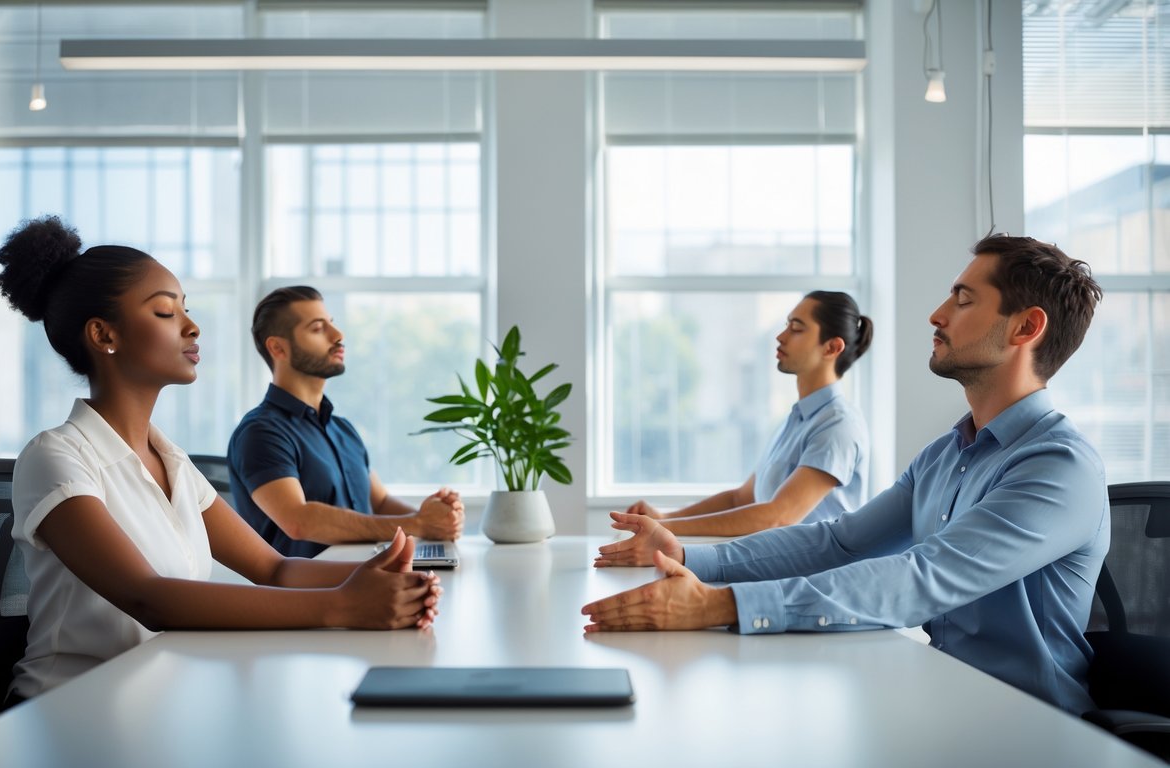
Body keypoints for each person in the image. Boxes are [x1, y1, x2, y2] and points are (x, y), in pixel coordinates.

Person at [583, 235, 1108, 715]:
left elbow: (922, 577)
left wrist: (717, 605)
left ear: (1025, 327)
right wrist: (686, 555)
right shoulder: (945, 455)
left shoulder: (1059, 466)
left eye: (963, 299)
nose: (937, 314)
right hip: (942, 697)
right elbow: (840, 542)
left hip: (1030, 724)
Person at [0, 217, 441, 699]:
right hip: (71, 706)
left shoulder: (173, 462)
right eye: (165, 312)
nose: (192, 326)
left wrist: (396, 578)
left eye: (185, 309)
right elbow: (149, 597)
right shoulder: (55, 458)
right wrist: (343, 606)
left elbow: (275, 569)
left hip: (166, 695)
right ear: (104, 335)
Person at [611, 291, 873, 549]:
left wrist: (663, 528)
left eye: (796, 328)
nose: (781, 336)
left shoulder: (838, 425)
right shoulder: (796, 420)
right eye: (786, 325)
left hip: (816, 574)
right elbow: (740, 498)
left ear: (831, 347)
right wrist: (664, 518)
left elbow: (778, 517)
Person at [228, 287, 465, 558]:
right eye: (318, 328)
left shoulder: (343, 430)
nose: (338, 335)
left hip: (368, 575)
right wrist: (418, 524)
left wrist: (435, 522)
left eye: (332, 323)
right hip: (314, 584)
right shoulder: (260, 432)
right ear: (278, 348)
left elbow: (380, 503)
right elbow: (298, 520)